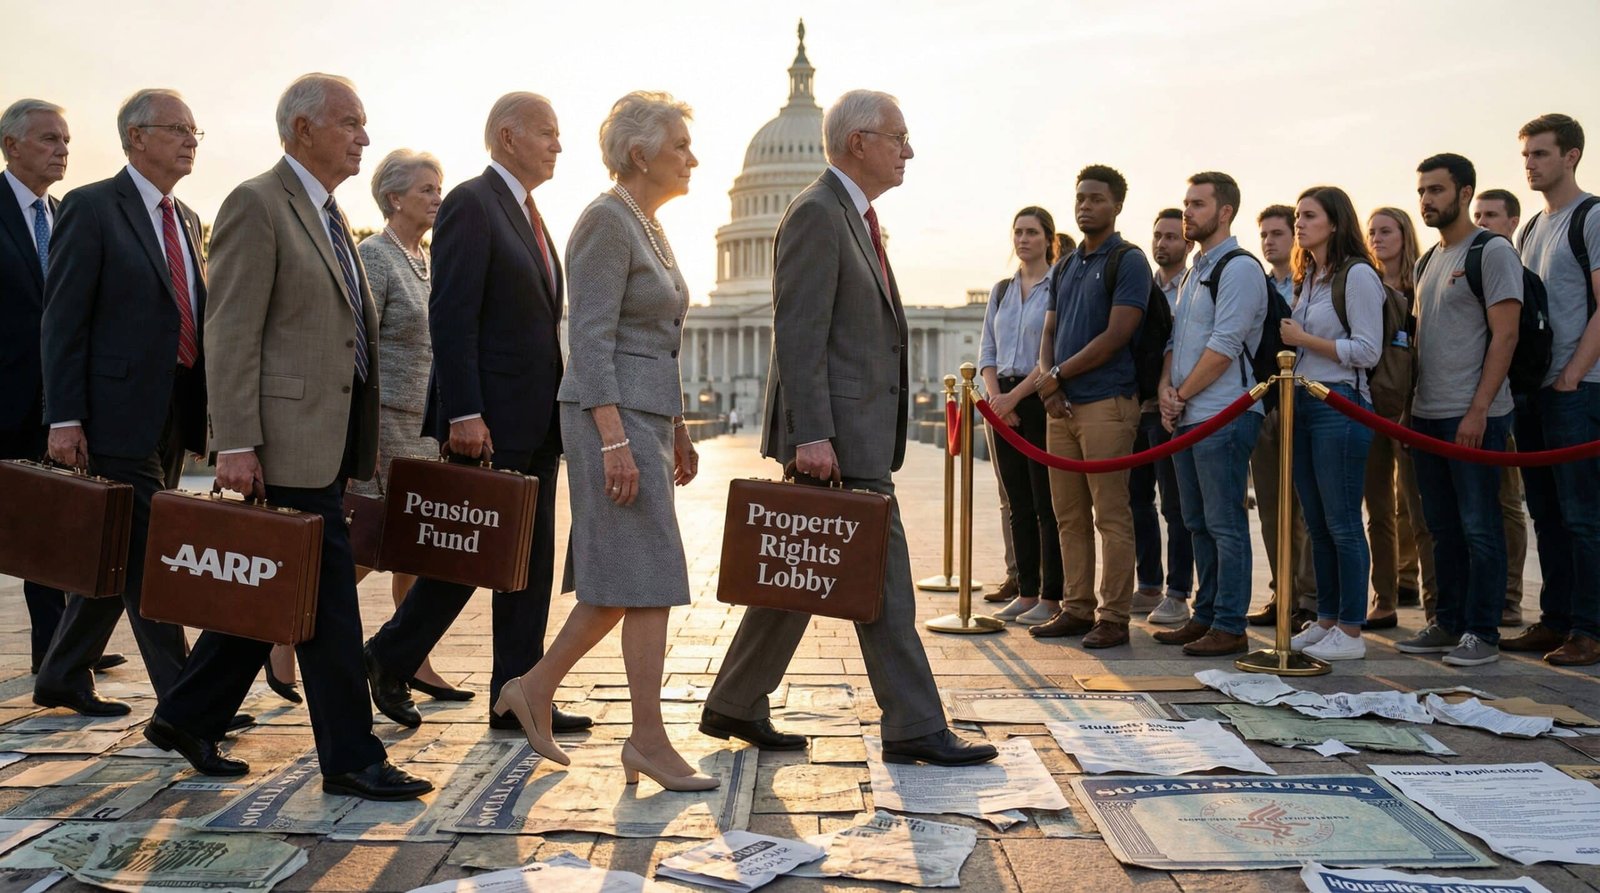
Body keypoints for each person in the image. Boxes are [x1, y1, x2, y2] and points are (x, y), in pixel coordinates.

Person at [146, 74, 432, 800]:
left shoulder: (332, 215)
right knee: (328, 607)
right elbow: (231, 328)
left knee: (278, 591)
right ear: (303, 129)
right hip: (281, 442)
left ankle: (185, 713)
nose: (363, 137)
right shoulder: (257, 203)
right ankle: (351, 757)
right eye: (349, 123)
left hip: (328, 444)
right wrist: (235, 441)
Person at [702, 90, 996, 767]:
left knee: (799, 573)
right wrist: (812, 434)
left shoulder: (851, 217)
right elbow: (798, 336)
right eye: (899, 136)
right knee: (883, 583)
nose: (908, 150)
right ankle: (915, 722)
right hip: (837, 439)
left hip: (848, 432)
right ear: (860, 142)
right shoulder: (816, 214)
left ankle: (735, 701)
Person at [495, 91, 714, 791]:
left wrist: (676, 425)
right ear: (641, 153)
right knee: (637, 577)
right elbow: (587, 336)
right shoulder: (606, 221)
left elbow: (657, 339)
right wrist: (615, 439)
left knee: (639, 580)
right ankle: (622, 728)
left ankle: (553, 695)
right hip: (605, 420)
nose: (692, 156)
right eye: (680, 144)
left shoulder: (649, 225)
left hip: (642, 418)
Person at [364, 93, 591, 736]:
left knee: (525, 564)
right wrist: (464, 410)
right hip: (489, 418)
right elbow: (452, 314)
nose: (558, 144)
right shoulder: (472, 201)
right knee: (479, 556)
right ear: (507, 136)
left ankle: (514, 692)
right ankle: (387, 654)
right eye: (547, 133)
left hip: (533, 418)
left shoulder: (529, 212)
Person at [37, 89, 208, 715]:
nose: (191, 140)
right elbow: (62, 322)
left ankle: (60, 672)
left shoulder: (187, 217)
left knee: (121, 549)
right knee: (153, 552)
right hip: (111, 415)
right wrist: (64, 417)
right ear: (136, 137)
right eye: (177, 129)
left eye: (196, 131)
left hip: (170, 412)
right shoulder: (90, 206)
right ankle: (187, 701)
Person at [1397, 153, 1520, 667]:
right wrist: (1408, 412)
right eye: (1422, 190)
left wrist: (1480, 409)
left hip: (1474, 416)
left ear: (1465, 193)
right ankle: (1448, 622)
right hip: (1427, 416)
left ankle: (1482, 632)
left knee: (1479, 525)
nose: (1426, 200)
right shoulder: (1428, 260)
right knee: (1442, 527)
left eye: (1437, 190)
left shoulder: (1490, 252)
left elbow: (1506, 333)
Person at [1028, 165, 1150, 648]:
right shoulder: (1066, 265)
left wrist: (1058, 375)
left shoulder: (1128, 260)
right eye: (1080, 198)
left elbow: (1116, 335)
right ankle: (1076, 607)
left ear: (1116, 205)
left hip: (1107, 403)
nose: (1085, 206)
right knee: (1069, 516)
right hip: (1063, 407)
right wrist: (1049, 383)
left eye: (1096, 199)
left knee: (1110, 516)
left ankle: (1114, 616)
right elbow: (1049, 332)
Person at [1155, 171, 1267, 656]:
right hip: (1189, 413)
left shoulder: (1239, 268)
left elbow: (1226, 345)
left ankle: (1230, 622)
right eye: (1186, 203)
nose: (1187, 212)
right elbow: (1177, 341)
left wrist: (1179, 393)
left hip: (1224, 412)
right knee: (1196, 520)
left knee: (1224, 522)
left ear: (1224, 212)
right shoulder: (1196, 269)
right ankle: (1205, 614)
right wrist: (1166, 387)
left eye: (1198, 204)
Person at [1504, 113, 1600, 666]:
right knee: (1546, 512)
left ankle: (1589, 628)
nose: (1530, 165)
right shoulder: (1533, 227)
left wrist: (1570, 375)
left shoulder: (1591, 217)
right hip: (1535, 390)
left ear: (1571, 156)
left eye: (1540, 154)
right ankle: (1558, 620)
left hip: (1579, 389)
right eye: (1526, 156)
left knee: (1583, 516)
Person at [1279, 186, 1382, 660]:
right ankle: (1326, 620)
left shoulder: (1357, 275)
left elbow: (1367, 350)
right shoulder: (1309, 277)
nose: (1299, 223)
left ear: (1335, 222)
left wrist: (1303, 338)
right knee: (1316, 522)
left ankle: (1352, 629)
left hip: (1340, 401)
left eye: (1309, 216)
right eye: (1298, 215)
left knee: (1342, 522)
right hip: (1303, 402)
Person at [0, 98, 83, 677]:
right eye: (50, 139)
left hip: (53, 406)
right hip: (2, 401)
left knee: (53, 533)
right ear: (12, 146)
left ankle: (57, 655)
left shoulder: (65, 215)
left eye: (66, 140)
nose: (63, 151)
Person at [979, 207, 1063, 627]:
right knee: (1018, 504)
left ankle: (1052, 596)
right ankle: (1026, 590)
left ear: (1048, 238)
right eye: (1018, 232)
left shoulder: (1057, 286)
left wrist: (1013, 398)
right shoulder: (1001, 291)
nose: (1023, 239)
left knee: (1046, 502)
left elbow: (1049, 356)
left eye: (1032, 232)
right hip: (1001, 405)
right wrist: (998, 401)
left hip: (1036, 398)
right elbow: (987, 353)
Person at [1245, 204, 1317, 631]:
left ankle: (1309, 598)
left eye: (1279, 232)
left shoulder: (1310, 282)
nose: (1271, 241)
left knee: (1306, 508)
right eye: (1265, 234)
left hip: (1307, 399)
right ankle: (1282, 592)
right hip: (1263, 402)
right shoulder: (1257, 283)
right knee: (1271, 507)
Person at [1365, 207, 1432, 628]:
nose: (1377, 238)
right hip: (1369, 408)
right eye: (1371, 232)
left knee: (1419, 510)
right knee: (1378, 511)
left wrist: (1412, 411)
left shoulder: (1419, 284)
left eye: (1386, 231)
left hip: (1412, 408)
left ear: (1405, 235)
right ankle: (1384, 599)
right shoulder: (1364, 286)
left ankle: (1436, 605)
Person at [1129, 208, 1193, 625]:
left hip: (1172, 409)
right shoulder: (1142, 288)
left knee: (1175, 506)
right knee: (1137, 501)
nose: (1162, 243)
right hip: (1136, 408)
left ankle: (1178, 592)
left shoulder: (1190, 288)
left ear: (1186, 244)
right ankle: (1148, 582)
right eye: (1158, 236)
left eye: (1172, 236)